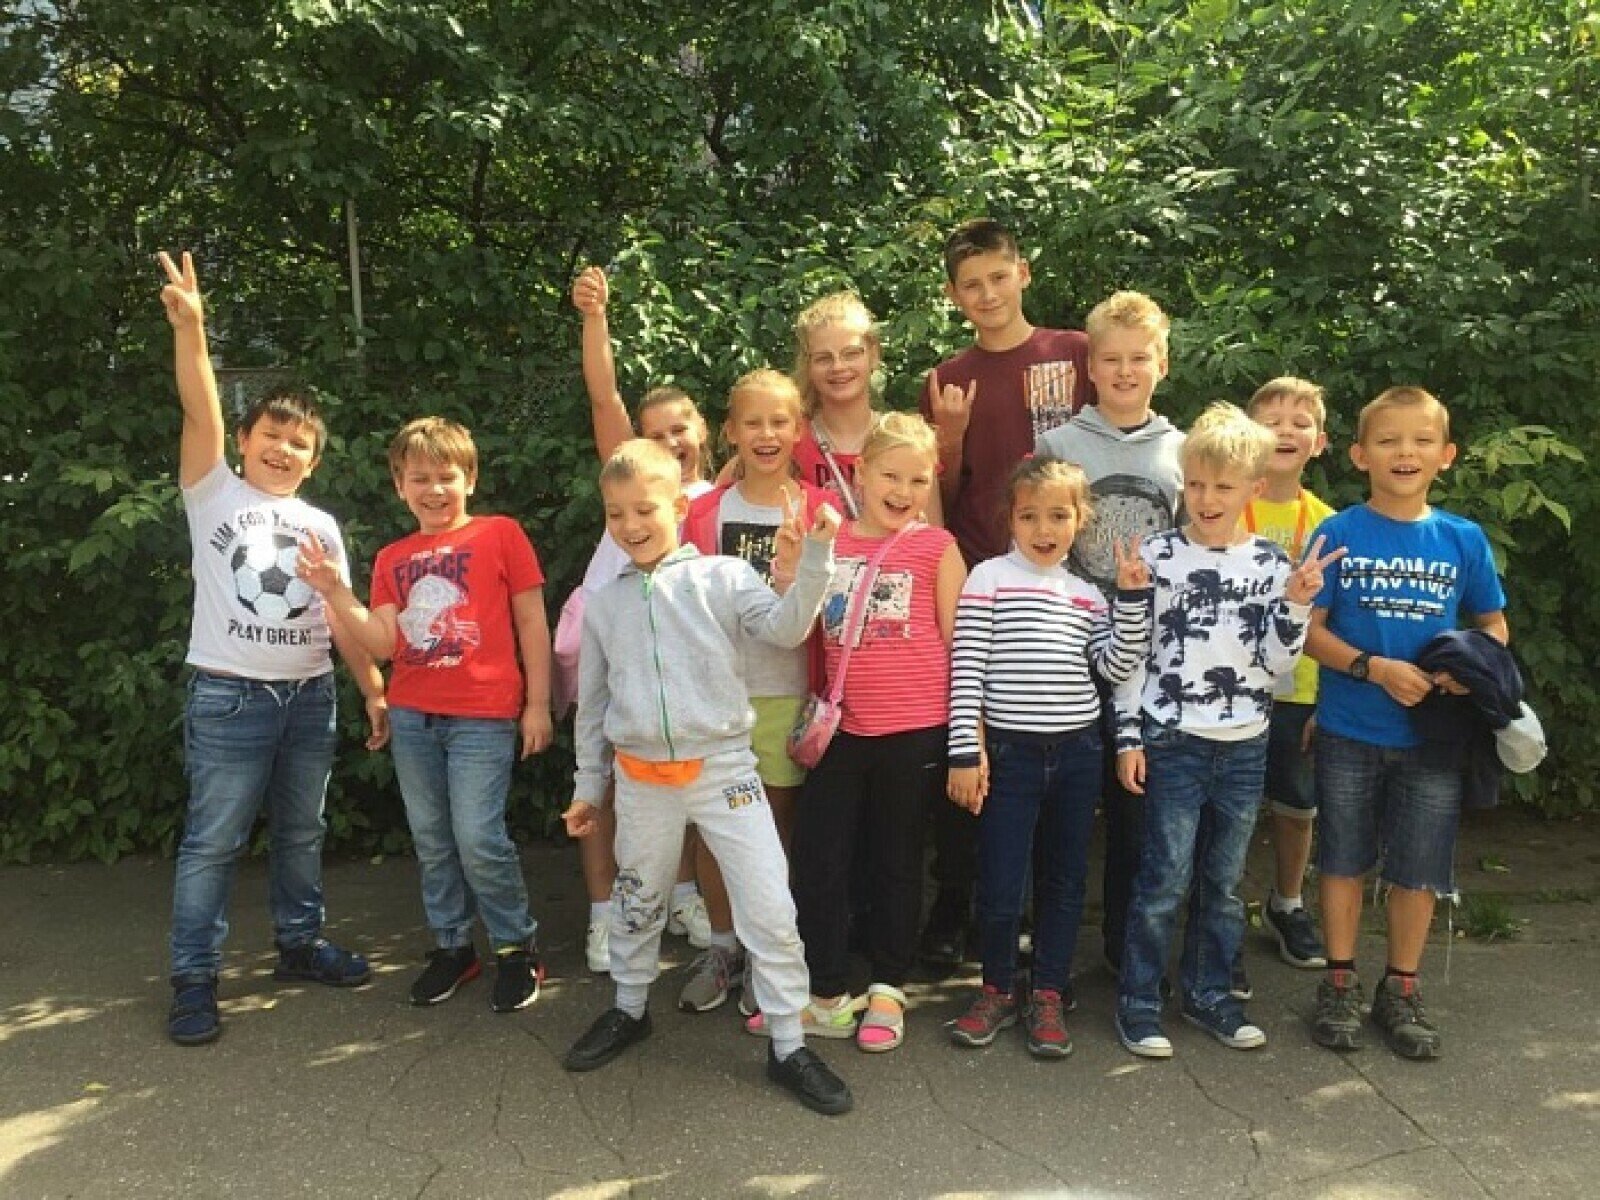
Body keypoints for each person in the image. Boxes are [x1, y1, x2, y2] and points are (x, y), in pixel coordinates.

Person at [560, 439, 853, 1116]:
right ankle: (629, 1008)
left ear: (677, 506)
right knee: (637, 900)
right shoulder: (603, 604)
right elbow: (593, 707)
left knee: (770, 905)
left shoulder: (723, 576)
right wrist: (588, 787)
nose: (630, 525)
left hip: (725, 771)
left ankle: (788, 1044)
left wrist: (815, 556)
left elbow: (786, 629)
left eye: (644, 509)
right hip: (641, 781)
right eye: (615, 513)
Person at [157, 250, 386, 1047]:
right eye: (271, 435)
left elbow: (340, 613)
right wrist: (193, 330)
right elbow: (200, 413)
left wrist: (373, 688)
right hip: (230, 698)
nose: (283, 449)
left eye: (299, 443)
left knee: (301, 832)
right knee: (213, 842)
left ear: (315, 459)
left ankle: (298, 944)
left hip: (311, 698)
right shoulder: (213, 492)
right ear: (246, 440)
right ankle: (194, 979)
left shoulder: (320, 525)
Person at [296, 418, 552, 1013]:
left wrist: (538, 704)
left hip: (483, 716)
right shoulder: (393, 556)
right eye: (420, 478)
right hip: (414, 717)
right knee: (434, 840)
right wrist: (335, 591)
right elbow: (383, 642)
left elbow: (532, 622)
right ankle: (453, 947)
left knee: (479, 837)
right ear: (399, 486)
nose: (434, 489)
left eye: (447, 476)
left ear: (470, 479)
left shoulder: (500, 533)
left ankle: (516, 947)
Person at [1112, 403, 1338, 1059]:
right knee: (1163, 878)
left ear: (1254, 489)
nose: (1208, 499)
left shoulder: (1270, 563)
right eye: (1197, 484)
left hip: (1244, 743)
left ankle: (1211, 994)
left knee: (1223, 882)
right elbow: (1130, 660)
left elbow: (1277, 665)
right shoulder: (1156, 555)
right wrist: (1128, 736)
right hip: (1171, 739)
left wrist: (1296, 604)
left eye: (1224, 486)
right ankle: (1139, 1001)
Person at [1304, 386, 1508, 1061]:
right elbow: (1310, 632)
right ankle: (1339, 982)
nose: (1405, 452)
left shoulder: (1462, 539)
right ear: (1360, 455)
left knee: (1419, 869)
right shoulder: (1337, 533)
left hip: (1433, 738)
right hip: (1349, 727)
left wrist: (1468, 671)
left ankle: (1402, 987)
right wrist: (1374, 668)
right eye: (1388, 440)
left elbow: (1494, 626)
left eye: (1421, 440)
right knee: (1341, 858)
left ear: (1445, 455)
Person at [917, 219, 1093, 965]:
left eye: (997, 276)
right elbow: (938, 492)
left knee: (1052, 743)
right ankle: (956, 901)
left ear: (1022, 272)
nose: (987, 294)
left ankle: (1036, 913)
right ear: (954, 296)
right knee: (971, 733)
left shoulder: (1075, 352)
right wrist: (950, 436)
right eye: (971, 285)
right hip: (980, 574)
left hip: (1065, 582)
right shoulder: (947, 377)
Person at [772, 413, 966, 1053]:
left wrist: (969, 737)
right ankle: (826, 991)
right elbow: (797, 624)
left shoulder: (937, 546)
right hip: (840, 731)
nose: (904, 491)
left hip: (916, 731)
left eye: (918, 479)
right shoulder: (830, 541)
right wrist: (793, 567)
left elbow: (963, 646)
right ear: (861, 473)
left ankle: (888, 986)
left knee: (896, 861)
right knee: (821, 860)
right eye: (891, 475)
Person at [945, 459, 1152, 1059]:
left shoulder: (1087, 596)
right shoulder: (988, 579)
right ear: (1010, 519)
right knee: (1001, 879)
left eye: (1059, 515)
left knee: (1064, 880)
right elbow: (967, 669)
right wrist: (964, 751)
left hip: (1078, 755)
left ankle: (1049, 992)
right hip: (1009, 756)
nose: (1044, 529)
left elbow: (1116, 666)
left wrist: (1130, 600)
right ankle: (997, 988)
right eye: (1029, 515)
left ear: (1080, 520)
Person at [568, 266, 715, 973]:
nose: (670, 441)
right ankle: (605, 914)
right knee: (602, 779)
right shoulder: (632, 475)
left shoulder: (720, 494)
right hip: (612, 643)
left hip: (677, 656)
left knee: (675, 775)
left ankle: (681, 894)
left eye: (679, 427)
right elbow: (604, 395)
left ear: (703, 428)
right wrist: (595, 318)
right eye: (654, 433)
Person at [1035, 291, 1185, 982]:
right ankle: (1049, 958)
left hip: (1148, 663)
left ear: (1162, 364)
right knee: (1059, 814)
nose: (1126, 371)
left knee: (1135, 812)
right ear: (1090, 366)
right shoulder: (1058, 446)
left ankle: (1128, 950)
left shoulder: (1182, 451)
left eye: (1139, 358)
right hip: (1066, 653)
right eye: (1112, 359)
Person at [676, 370, 831, 1015]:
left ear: (799, 430)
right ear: (731, 431)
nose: (767, 434)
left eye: (779, 421)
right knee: (714, 829)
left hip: (787, 692)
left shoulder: (823, 509)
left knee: (772, 831)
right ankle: (722, 947)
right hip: (718, 696)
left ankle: (769, 953)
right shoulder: (704, 512)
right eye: (753, 422)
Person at [1230, 378, 1337, 1000]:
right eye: (1271, 419)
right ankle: (1222, 916)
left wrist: (1332, 699)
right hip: (1227, 689)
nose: (1285, 431)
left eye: (1301, 422)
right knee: (1230, 809)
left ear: (1319, 443)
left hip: (1301, 690)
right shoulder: (1218, 506)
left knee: (1297, 805)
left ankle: (1287, 902)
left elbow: (1339, 618)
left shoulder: (1328, 523)